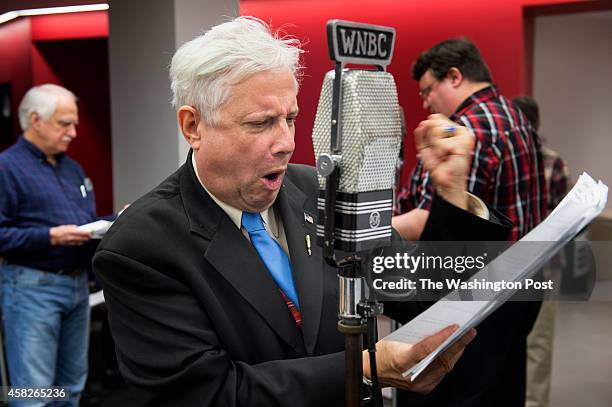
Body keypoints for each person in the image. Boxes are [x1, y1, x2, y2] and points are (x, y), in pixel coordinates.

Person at [93, 18, 511, 406]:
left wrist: (454, 195)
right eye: (260, 123)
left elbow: (424, 295)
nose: (286, 142)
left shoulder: (318, 190)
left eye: (290, 118)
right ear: (193, 127)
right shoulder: (141, 246)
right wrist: (364, 369)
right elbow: (209, 393)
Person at [393, 39, 547, 407]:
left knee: (458, 390)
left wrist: (370, 227)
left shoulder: (468, 129)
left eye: (429, 90)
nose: (426, 102)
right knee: (502, 387)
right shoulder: (513, 114)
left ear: (455, 77)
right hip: (522, 282)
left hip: (479, 292)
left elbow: (437, 217)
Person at [0, 84, 115, 405]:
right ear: (35, 120)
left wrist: (116, 219)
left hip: (77, 285)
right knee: (34, 392)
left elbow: (81, 223)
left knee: (71, 386)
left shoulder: (71, 168)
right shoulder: (6, 168)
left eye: (74, 123)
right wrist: (51, 236)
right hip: (31, 287)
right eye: (65, 123)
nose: (74, 132)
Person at [513, 95, 570, 407]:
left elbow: (566, 220)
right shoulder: (505, 159)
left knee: (537, 342)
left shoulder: (553, 164)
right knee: (518, 343)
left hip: (543, 264)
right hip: (508, 263)